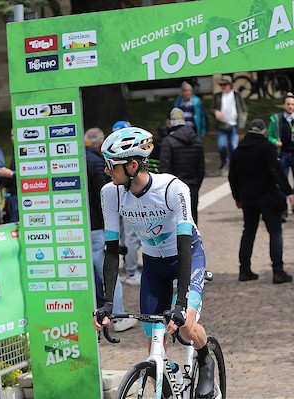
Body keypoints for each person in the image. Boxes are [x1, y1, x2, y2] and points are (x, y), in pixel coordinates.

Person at [93, 127, 215, 398]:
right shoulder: (110, 193)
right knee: (154, 350)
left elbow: (185, 247)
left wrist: (180, 304)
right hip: (154, 263)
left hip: (187, 256)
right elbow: (111, 250)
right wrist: (108, 302)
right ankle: (167, 381)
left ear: (133, 165)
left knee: (184, 325)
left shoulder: (173, 188)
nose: (106, 171)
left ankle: (205, 358)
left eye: (111, 165)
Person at [229, 119, 294, 284]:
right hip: (267, 197)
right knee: (275, 232)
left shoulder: (238, 150)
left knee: (248, 232)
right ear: (263, 131)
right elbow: (276, 171)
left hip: (247, 198)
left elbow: (232, 176)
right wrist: (289, 192)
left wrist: (237, 197)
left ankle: (244, 270)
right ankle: (278, 272)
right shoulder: (267, 147)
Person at [84, 126, 137, 333]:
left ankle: (101, 313)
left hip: (81, 226)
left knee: (94, 273)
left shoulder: (78, 161)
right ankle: (119, 315)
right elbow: (103, 198)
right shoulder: (96, 164)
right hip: (97, 225)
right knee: (107, 272)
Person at [160, 107, 205, 224]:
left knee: (175, 225)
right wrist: (195, 185)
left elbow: (164, 170)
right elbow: (201, 169)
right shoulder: (197, 140)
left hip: (174, 189)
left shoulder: (168, 141)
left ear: (169, 121)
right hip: (193, 187)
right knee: (192, 223)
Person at [112, 120, 143, 286]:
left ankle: (129, 267)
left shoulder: (111, 150)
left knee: (124, 236)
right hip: (127, 196)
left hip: (117, 197)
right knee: (130, 236)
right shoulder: (126, 154)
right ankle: (131, 272)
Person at [211, 75, 247, 172]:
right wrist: (215, 112)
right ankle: (224, 161)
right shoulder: (217, 96)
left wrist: (241, 122)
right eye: (221, 84)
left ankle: (233, 165)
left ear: (230, 85)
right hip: (221, 125)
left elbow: (243, 109)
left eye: (225, 84)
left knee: (234, 147)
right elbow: (212, 108)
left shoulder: (236, 95)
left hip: (233, 125)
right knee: (222, 146)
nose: (223, 86)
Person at [0, 129, 18, 224]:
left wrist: (11, 174)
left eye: (15, 135)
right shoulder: (15, 152)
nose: (13, 138)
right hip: (12, 196)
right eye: (12, 135)